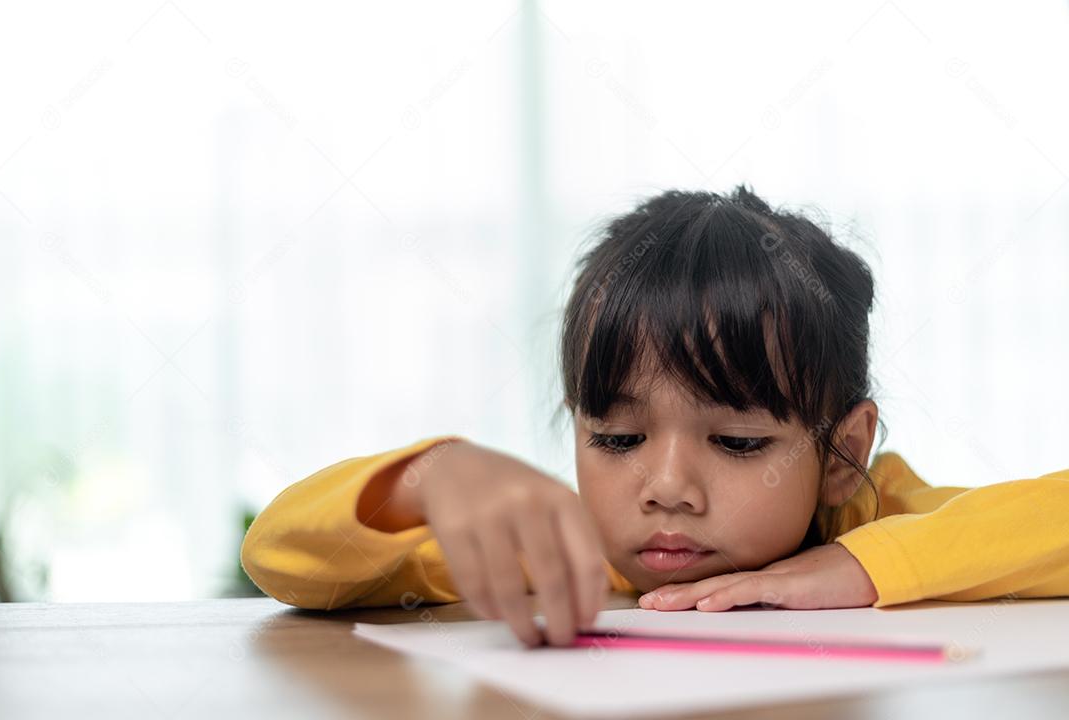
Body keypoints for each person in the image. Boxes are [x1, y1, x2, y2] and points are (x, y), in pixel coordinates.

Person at [241, 186, 1069, 648]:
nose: (666, 487)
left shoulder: (878, 510)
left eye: (739, 442)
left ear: (843, 452)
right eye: (618, 438)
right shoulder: (558, 551)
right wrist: (427, 477)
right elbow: (279, 557)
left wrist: (861, 568)